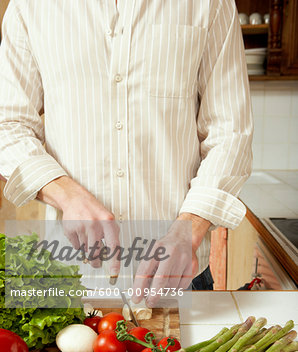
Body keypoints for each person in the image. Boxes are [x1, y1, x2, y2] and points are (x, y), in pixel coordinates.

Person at [0, 0, 253, 306]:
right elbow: (8, 125)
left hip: (179, 279)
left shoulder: (209, 3)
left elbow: (231, 132)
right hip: (70, 280)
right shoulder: (30, 6)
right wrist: (66, 194)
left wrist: (191, 227)